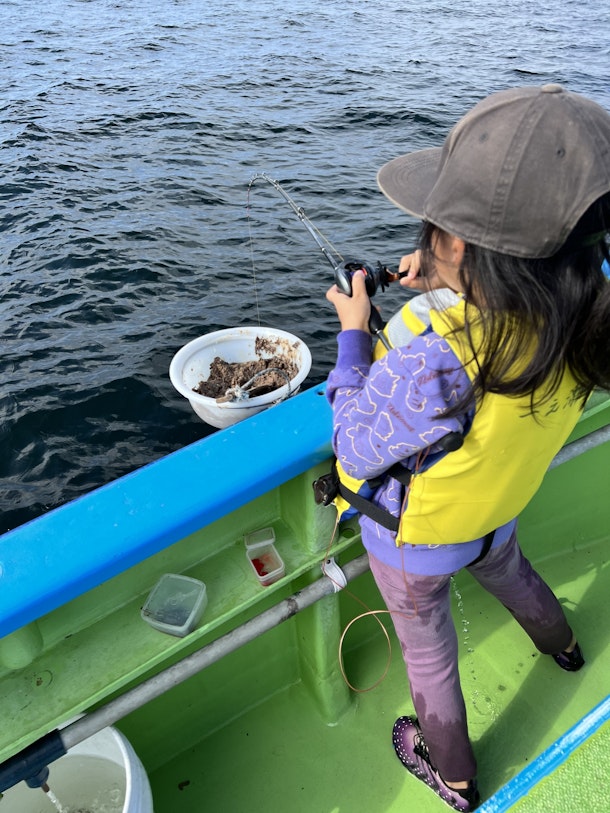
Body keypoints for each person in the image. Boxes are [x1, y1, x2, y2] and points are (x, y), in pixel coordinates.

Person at [325, 85, 610, 811]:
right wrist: (456, 280)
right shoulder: (587, 320)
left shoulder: (438, 362)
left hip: (419, 544)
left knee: (429, 651)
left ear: (454, 243)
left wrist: (355, 334)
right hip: (497, 511)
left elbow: (354, 441)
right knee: (514, 574)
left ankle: (452, 776)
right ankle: (564, 648)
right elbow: (528, 297)